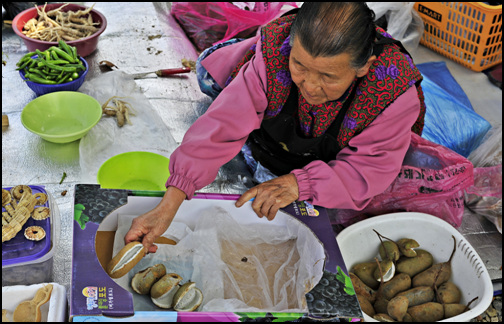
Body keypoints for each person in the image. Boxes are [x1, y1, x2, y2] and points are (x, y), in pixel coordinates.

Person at [125, 2, 426, 253]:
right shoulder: (274, 52)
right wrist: (171, 201)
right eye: (299, 65)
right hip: (271, 135)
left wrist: (300, 184)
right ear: (291, 46)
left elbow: (366, 170)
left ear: (363, 66)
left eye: (327, 77)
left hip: (329, 164)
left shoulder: (392, 92)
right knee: (217, 78)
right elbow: (223, 123)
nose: (309, 85)